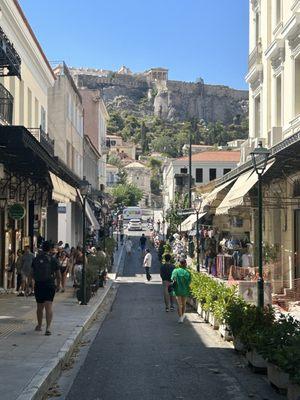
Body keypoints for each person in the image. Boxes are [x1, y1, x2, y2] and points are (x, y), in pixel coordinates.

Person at [32, 241, 61, 335]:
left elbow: (31, 273)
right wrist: (58, 285)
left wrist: (29, 285)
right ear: (50, 249)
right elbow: (58, 275)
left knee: (39, 307)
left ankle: (39, 325)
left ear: (42, 248)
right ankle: (48, 328)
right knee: (49, 307)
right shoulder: (53, 260)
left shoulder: (36, 259)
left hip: (39, 284)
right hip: (49, 284)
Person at [171, 259, 191, 323]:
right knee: (184, 304)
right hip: (185, 290)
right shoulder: (187, 272)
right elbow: (189, 282)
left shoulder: (175, 271)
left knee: (179, 304)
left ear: (179, 264)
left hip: (177, 289)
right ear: (185, 264)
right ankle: (182, 316)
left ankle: (180, 318)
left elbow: (173, 279)